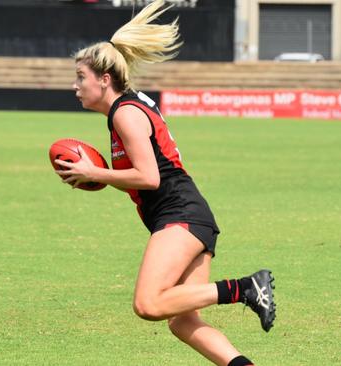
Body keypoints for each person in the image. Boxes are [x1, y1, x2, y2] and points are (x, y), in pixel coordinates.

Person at [54, 1, 276, 365]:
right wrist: (100, 177)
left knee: (148, 303)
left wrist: (97, 174)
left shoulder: (125, 114)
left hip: (181, 215)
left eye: (81, 76)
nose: (75, 85)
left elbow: (149, 177)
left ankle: (247, 288)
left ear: (104, 79)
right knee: (183, 322)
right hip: (191, 215)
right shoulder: (129, 106)